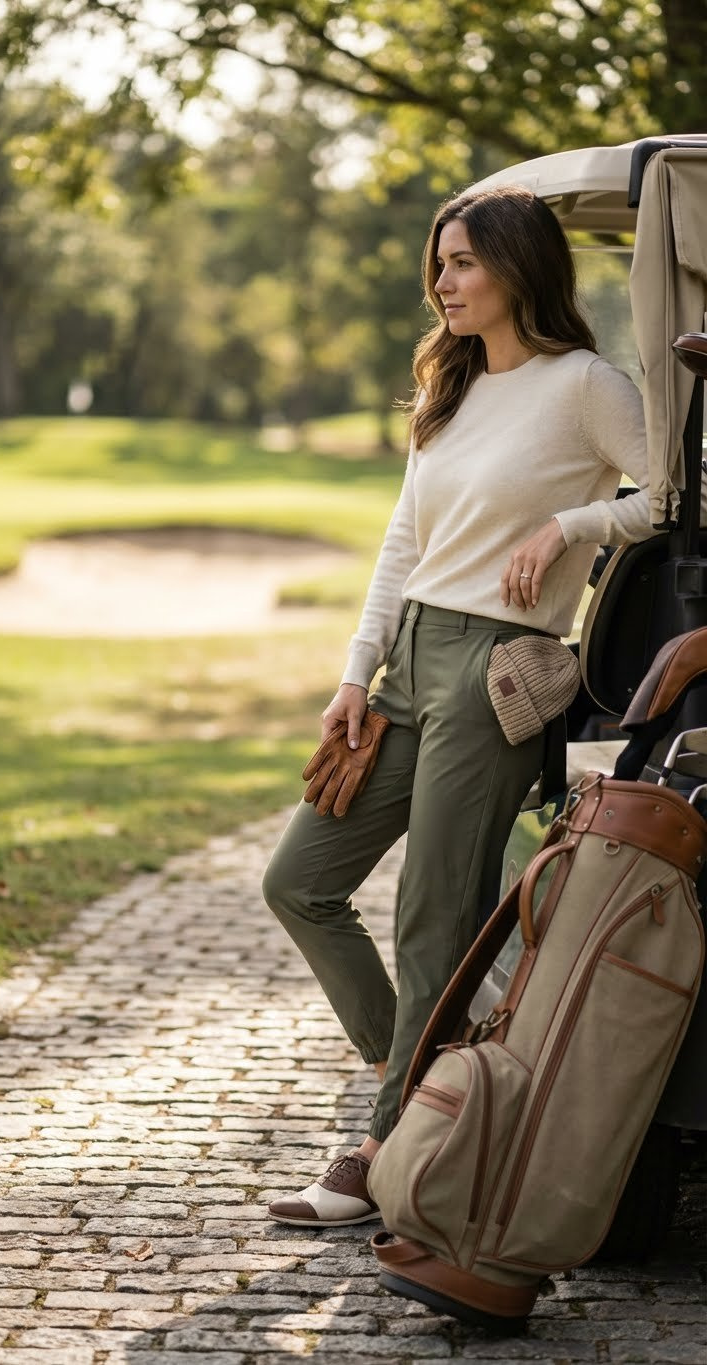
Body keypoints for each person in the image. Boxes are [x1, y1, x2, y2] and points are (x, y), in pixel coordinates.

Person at [262, 183, 664, 1228]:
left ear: (518, 270)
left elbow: (673, 487)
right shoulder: (449, 387)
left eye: (464, 263)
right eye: (438, 263)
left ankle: (388, 1144)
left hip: (499, 674)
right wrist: (355, 676)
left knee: (434, 913)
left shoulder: (584, 385)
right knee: (300, 882)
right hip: (408, 666)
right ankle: (443, 1084)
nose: (442, 282)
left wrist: (573, 524)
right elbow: (403, 545)